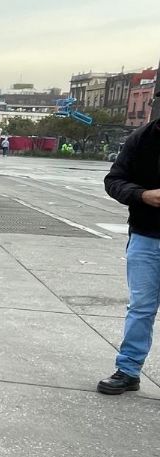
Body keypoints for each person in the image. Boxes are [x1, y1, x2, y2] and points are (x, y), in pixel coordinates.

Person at [99, 113, 160, 395]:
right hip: (147, 236)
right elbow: (114, 179)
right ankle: (128, 370)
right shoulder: (143, 138)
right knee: (140, 308)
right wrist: (142, 195)